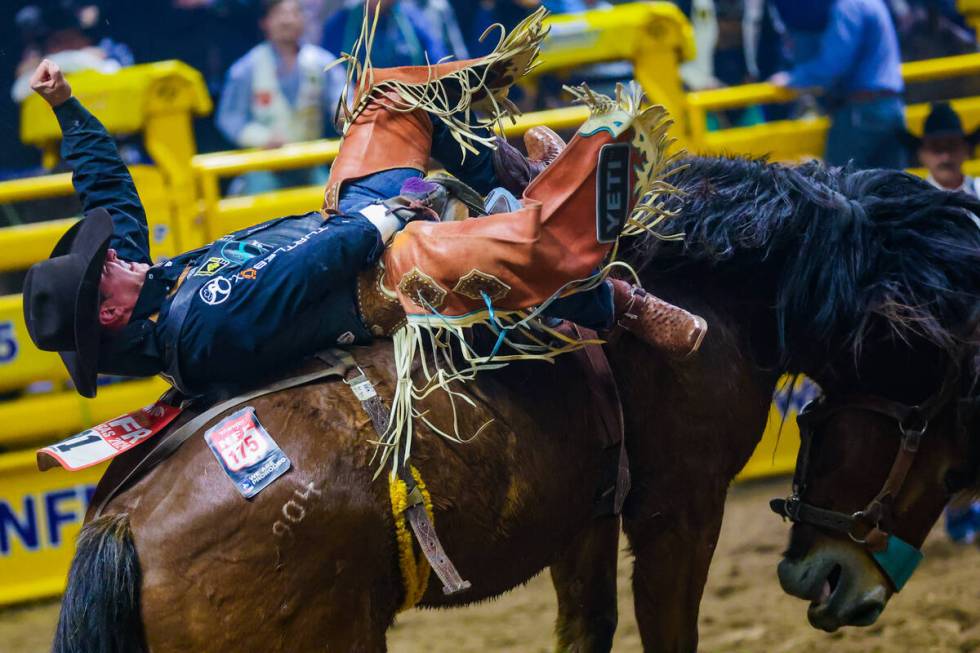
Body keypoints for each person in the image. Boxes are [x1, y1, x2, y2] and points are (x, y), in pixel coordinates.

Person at [23, 50, 699, 399]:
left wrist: (67, 106)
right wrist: (380, 220)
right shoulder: (192, 326)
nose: (115, 254)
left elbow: (107, 196)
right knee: (506, 248)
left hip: (348, 225)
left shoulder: (145, 287)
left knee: (390, 96)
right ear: (109, 312)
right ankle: (615, 296)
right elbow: (293, 276)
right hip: (373, 278)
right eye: (105, 266)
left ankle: (515, 184)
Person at [216, 0, 345, 194]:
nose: (287, 20)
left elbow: (343, 99)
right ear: (265, 22)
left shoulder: (322, 63)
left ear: (303, 19)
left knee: (333, 204)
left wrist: (343, 114)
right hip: (264, 166)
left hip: (310, 164)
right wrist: (260, 137)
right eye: (279, 14)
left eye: (294, 13)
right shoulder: (246, 69)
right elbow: (229, 117)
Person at [769, 0, 908, 169]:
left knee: (841, 185)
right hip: (892, 106)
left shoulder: (848, 6)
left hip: (861, 111)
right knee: (894, 187)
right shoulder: (872, 3)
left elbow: (834, 63)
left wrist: (792, 79)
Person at [321, 0, 449, 69]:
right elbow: (327, 71)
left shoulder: (413, 20)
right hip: (356, 108)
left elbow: (440, 64)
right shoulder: (340, 24)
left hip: (409, 106)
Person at [907, 102, 980, 195]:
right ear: (921, 154)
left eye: (952, 146)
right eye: (936, 149)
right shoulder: (913, 200)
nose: (945, 157)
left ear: (966, 149)